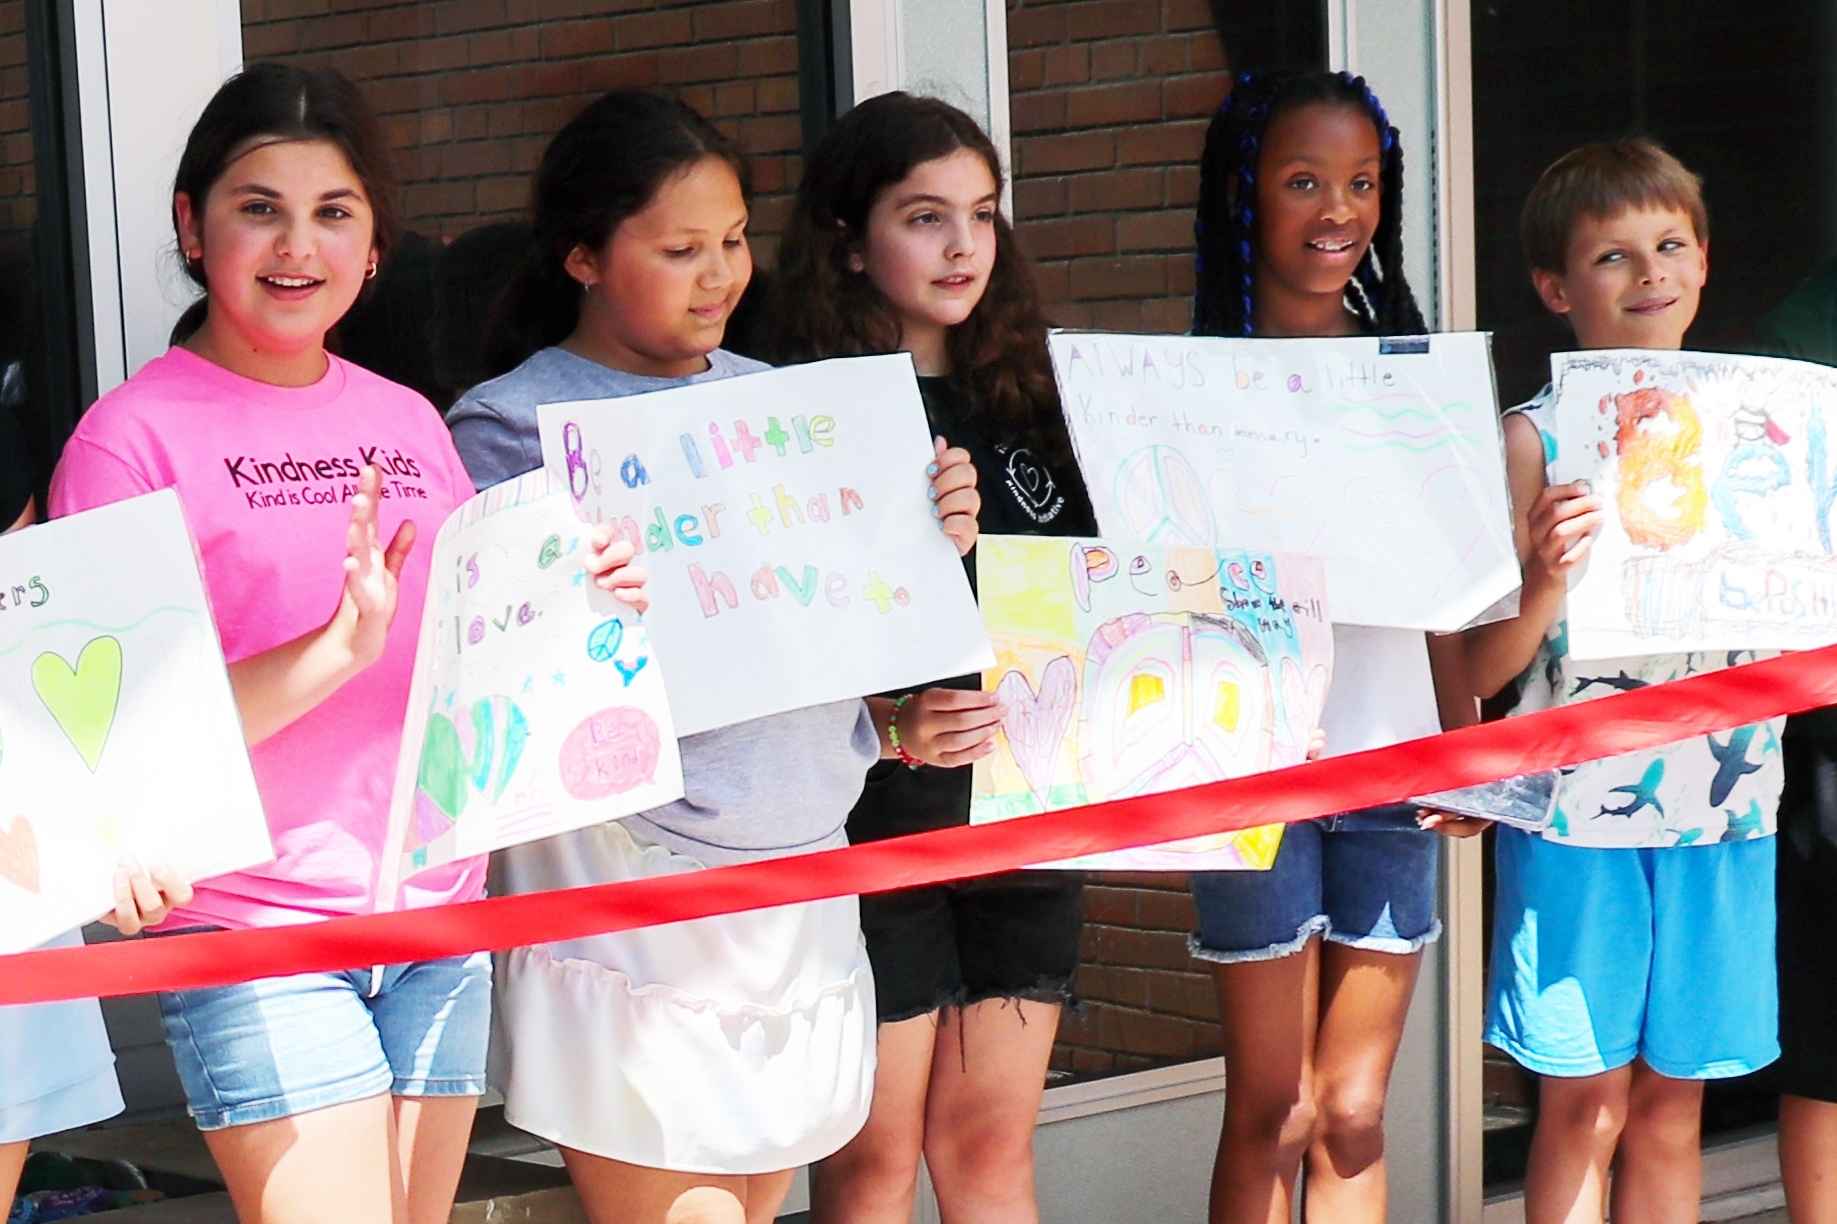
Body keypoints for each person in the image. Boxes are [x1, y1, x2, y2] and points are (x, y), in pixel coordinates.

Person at [48, 63, 638, 1224]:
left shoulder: (404, 418)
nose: (295, 246)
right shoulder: (130, 439)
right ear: (190, 224)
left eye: (334, 212)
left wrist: (590, 592)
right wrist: (333, 649)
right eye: (258, 207)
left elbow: (483, 649)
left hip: (433, 909)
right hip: (256, 928)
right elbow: (114, 748)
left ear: (374, 245)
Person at [445, 89, 981, 1224]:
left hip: (799, 870)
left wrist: (929, 536)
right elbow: (506, 688)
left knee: (753, 1200)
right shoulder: (510, 428)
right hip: (631, 877)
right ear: (583, 254)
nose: (719, 275)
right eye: (680, 248)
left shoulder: (790, 411)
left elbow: (807, 648)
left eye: (733, 241)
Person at [767, 91, 1094, 1224]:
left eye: (983, 215)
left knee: (993, 1146)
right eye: (924, 216)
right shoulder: (785, 414)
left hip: (1026, 814)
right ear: (849, 241)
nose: (963, 246)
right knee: (868, 1163)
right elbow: (769, 627)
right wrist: (885, 710)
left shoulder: (1040, 398)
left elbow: (1103, 608)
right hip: (870, 824)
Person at [1461, 138, 1782, 1224]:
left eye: (1668, 244)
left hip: (1725, 807)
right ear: (1556, 289)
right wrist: (1545, 579)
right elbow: (1482, 672)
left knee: (1670, 1109)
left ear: (1702, 262)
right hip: (1574, 818)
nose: (1648, 272)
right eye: (1612, 255)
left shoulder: (1764, 430)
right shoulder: (1531, 440)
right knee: (1584, 1104)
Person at [1185, 68, 1476, 1224]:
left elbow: (1448, 599)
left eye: (1361, 182)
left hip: (1391, 767)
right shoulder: (1182, 389)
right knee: (1275, 1107)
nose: (1337, 210)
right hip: (1245, 778)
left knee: (1353, 1108)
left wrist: (1464, 752)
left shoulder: (1414, 380)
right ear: (1241, 192)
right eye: (1303, 180)